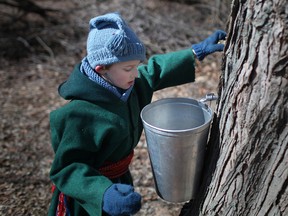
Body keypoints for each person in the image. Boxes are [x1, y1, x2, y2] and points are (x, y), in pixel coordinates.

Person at [48, 12, 226, 216]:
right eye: (128, 68)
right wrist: (103, 194)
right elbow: (67, 168)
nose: (136, 73)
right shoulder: (79, 115)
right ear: (100, 69)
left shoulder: (126, 85)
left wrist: (193, 53)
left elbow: (154, 71)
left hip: (120, 180)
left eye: (136, 66)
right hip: (88, 197)